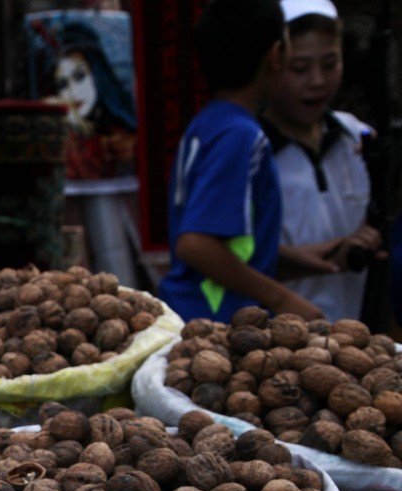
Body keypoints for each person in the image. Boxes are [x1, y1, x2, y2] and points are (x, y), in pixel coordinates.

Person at [159, 0, 324, 322]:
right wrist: (283, 299)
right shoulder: (242, 136)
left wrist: (302, 259)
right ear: (276, 56)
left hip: (193, 314)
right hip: (216, 323)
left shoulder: (207, 123)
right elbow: (195, 244)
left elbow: (231, 245)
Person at [261, 0, 384, 322]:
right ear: (271, 63)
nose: (317, 81)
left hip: (360, 332)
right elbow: (227, 258)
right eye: (299, 68)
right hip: (283, 340)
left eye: (330, 64)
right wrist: (330, 254)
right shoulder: (252, 152)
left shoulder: (358, 138)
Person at [42, 20, 138, 181]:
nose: (72, 93)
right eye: (63, 84)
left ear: (97, 74)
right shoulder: (64, 137)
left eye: (79, 77)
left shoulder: (124, 136)